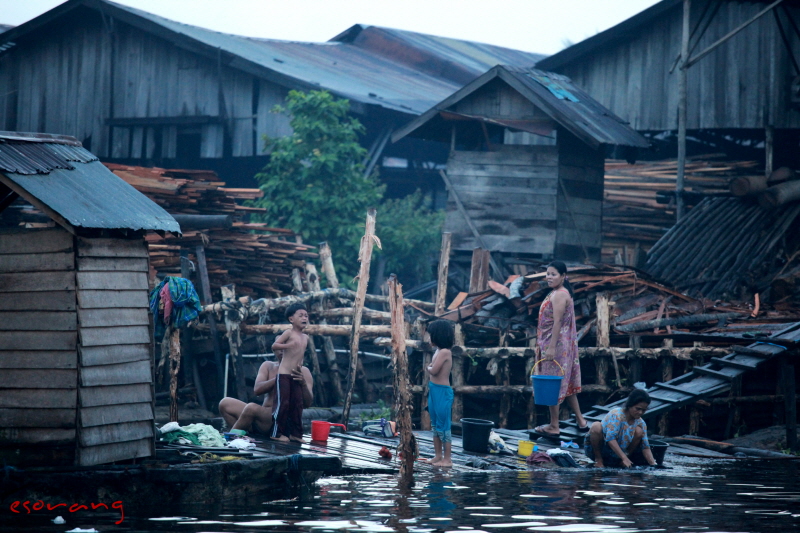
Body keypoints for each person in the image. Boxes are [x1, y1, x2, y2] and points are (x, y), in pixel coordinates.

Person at [533, 261, 588, 437]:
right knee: (567, 382)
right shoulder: (559, 292)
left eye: (553, 274)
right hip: (561, 343)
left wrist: (550, 348)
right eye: (547, 273)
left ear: (563, 276)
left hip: (555, 345)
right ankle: (581, 421)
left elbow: (557, 322)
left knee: (552, 384)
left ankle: (554, 425)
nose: (549, 277)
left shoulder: (559, 295)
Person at [270, 303, 313, 442]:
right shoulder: (289, 333)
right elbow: (275, 345)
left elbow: (299, 355)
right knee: (283, 403)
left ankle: (296, 433)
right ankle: (276, 433)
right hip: (284, 374)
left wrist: (300, 367)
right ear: (291, 319)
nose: (304, 317)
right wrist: (287, 345)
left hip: (295, 374)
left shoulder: (305, 337)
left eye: (306, 315)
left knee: (297, 404)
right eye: (300, 315)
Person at [585, 388, 657, 468]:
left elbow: (645, 446)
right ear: (630, 405)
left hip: (617, 454)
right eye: (638, 409)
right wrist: (624, 458)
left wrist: (653, 464)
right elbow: (610, 439)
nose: (640, 412)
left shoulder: (641, 423)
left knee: (639, 431)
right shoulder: (616, 415)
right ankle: (598, 460)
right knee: (596, 426)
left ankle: (621, 461)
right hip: (601, 449)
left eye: (643, 410)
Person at [218, 353, 280, 435]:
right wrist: (278, 378)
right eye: (279, 345)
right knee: (225, 403)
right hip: (261, 416)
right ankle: (243, 436)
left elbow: (303, 403)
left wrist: (303, 385)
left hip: (277, 420)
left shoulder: (300, 370)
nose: (282, 350)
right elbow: (257, 390)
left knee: (251, 408)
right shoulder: (268, 365)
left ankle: (232, 437)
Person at [425, 319, 454, 467]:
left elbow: (434, 370)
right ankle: (438, 455)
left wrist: (428, 367)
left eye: (431, 336)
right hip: (434, 390)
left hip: (443, 392)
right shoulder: (437, 351)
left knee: (444, 425)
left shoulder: (444, 352)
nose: (429, 339)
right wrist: (429, 366)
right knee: (435, 424)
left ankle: (447, 459)